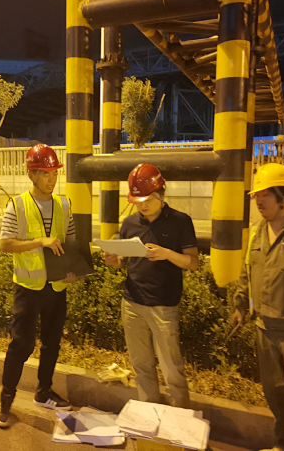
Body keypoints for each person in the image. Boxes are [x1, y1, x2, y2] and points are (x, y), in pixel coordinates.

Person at [0, 143, 79, 428]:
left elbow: (69, 245)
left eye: (55, 173)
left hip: (57, 288)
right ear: (31, 174)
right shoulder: (17, 205)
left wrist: (72, 271)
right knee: (22, 345)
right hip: (28, 289)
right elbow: (5, 244)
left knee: (52, 343)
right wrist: (39, 241)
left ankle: (44, 392)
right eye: (45, 173)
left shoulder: (64, 205)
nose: (52, 179)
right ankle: (5, 399)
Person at [103, 163, 199, 408]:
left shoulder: (180, 221)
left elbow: (193, 263)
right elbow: (126, 261)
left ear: (161, 193)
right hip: (132, 303)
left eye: (147, 199)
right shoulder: (129, 223)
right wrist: (116, 261)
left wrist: (167, 254)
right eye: (138, 201)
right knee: (141, 366)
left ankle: (179, 421)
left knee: (172, 369)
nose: (142, 205)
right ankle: (148, 416)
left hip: (164, 306)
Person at [232, 163, 284, 451]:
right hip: (264, 328)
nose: (259, 201)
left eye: (266, 195)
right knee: (276, 395)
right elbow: (247, 272)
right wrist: (241, 306)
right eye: (257, 196)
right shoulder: (258, 232)